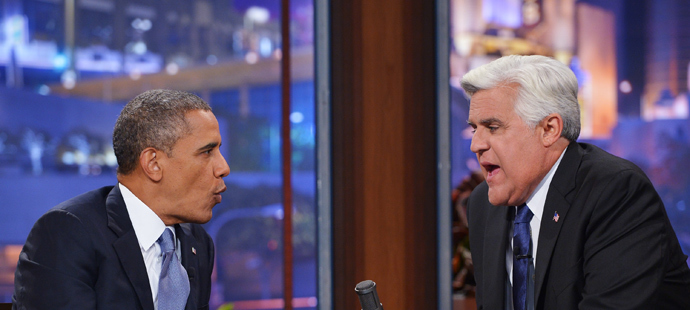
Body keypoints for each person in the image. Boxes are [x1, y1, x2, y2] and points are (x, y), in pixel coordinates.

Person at [462, 55, 690, 310]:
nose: (476, 145)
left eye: (492, 127)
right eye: (474, 129)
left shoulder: (616, 193)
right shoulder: (483, 203)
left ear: (549, 129)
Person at [12, 89, 230, 310]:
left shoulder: (198, 243)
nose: (223, 168)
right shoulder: (67, 233)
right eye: (207, 152)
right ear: (153, 163)